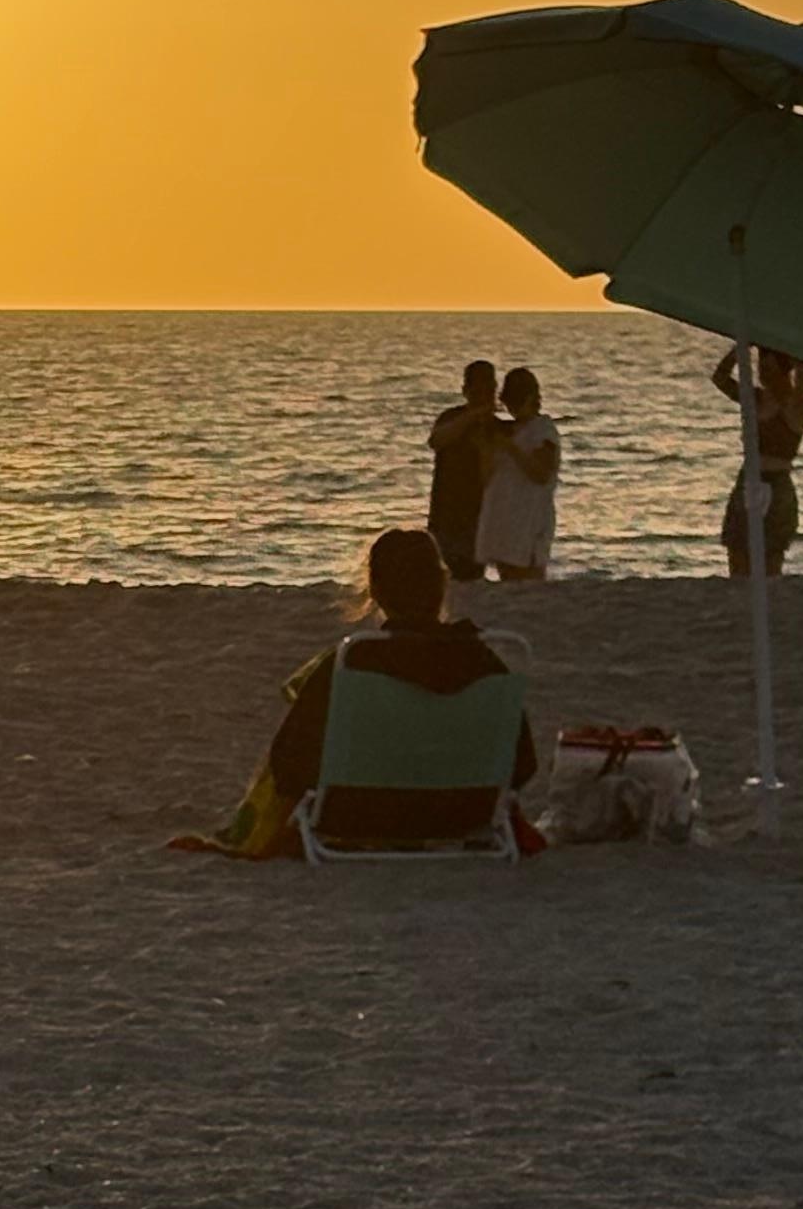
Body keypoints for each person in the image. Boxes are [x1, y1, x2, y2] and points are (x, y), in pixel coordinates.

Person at [172, 524, 543, 857]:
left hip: (356, 815)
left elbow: (288, 765)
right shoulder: (486, 662)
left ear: (375, 589)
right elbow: (522, 764)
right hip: (463, 815)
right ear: (443, 584)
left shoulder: (350, 663)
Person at [713, 343, 803, 574]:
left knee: (771, 557)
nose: (763, 373)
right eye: (761, 366)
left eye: (769, 367)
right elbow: (720, 378)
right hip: (748, 480)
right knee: (738, 550)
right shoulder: (754, 399)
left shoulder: (795, 405)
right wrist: (740, 349)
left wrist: (796, 353)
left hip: (776, 485)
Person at [475, 362, 560, 581]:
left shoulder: (543, 430)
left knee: (530, 582)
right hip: (504, 524)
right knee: (510, 582)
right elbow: (486, 477)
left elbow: (541, 474)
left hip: (529, 523)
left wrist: (510, 448)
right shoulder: (509, 431)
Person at [425, 356, 499, 583]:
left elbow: (492, 475)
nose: (484, 396)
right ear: (466, 391)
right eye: (478, 390)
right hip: (445, 516)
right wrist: (473, 416)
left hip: (477, 519)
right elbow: (437, 440)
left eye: (489, 390)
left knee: (471, 578)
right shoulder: (451, 418)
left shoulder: (497, 429)